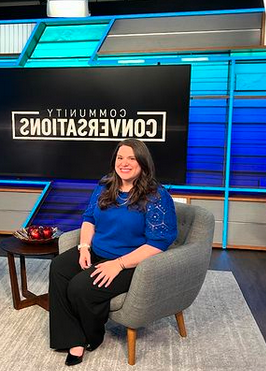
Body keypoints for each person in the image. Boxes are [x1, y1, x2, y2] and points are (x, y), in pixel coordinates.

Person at [48, 138, 178, 366]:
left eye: (131, 158)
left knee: (80, 287)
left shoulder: (157, 196)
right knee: (58, 268)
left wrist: (117, 264)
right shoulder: (105, 185)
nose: (124, 163)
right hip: (98, 251)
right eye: (120, 158)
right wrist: (83, 247)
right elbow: (89, 219)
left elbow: (159, 243)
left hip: (131, 263)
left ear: (143, 162)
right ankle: (71, 338)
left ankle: (91, 337)